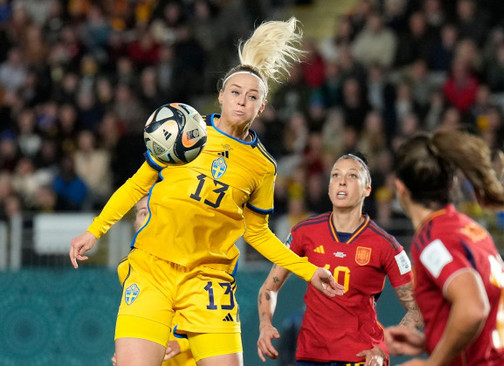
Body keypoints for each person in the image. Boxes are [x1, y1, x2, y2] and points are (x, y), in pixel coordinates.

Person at [69, 17, 344, 366]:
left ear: (262, 107)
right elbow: (138, 184)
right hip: (153, 269)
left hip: (209, 283)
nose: (242, 101)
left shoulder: (263, 167)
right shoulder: (185, 131)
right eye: (235, 93)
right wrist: (95, 230)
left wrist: (308, 270)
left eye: (252, 97)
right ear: (221, 96)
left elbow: (257, 233)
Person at [257, 153, 423, 366]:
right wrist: (265, 325)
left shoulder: (386, 245)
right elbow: (269, 288)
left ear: (367, 190)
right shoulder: (303, 232)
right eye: (335, 175)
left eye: (352, 175)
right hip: (310, 356)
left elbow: (417, 307)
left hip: (360, 357)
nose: (342, 181)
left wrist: (383, 349)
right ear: (328, 188)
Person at [384, 130, 504, 365]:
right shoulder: (471, 230)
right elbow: (483, 316)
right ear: (451, 184)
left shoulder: (432, 240)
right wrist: (428, 341)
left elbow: (473, 308)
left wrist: (432, 363)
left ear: (401, 189)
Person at [112, 195, 195, 366]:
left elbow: (216, 322)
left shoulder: (194, 264)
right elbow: (138, 320)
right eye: (143, 213)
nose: (150, 218)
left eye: (156, 211)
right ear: (135, 224)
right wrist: (129, 349)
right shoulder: (126, 269)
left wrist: (182, 343)